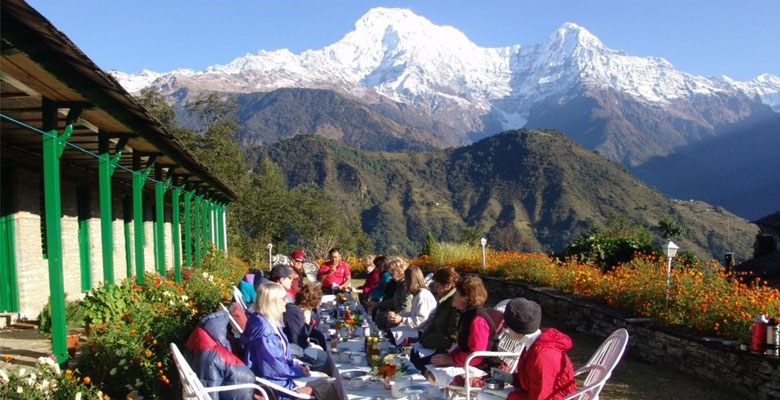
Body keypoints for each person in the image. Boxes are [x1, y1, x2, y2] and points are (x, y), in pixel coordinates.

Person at [240, 283, 313, 399]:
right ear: (273, 302)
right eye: (284, 298)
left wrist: (298, 366)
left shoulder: (270, 322)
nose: (287, 301)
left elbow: (282, 357)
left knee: (326, 383)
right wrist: (298, 372)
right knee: (325, 387)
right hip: (274, 386)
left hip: (281, 378)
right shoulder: (264, 331)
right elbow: (273, 367)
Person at [425, 276, 497, 387]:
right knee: (430, 365)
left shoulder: (478, 319)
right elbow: (463, 345)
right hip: (469, 363)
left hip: (482, 368)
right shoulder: (467, 314)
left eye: (457, 293)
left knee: (431, 375)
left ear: (465, 298)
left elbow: (476, 355)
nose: (454, 295)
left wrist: (450, 359)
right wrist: (448, 357)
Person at [502, 298, 577, 400]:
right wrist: (508, 378)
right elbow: (531, 379)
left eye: (506, 325)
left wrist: (507, 395)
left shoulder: (542, 356)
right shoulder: (534, 343)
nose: (505, 329)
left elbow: (541, 396)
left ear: (516, 329)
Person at [417, 266, 460, 352]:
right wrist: (423, 339)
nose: (435, 290)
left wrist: (426, 341)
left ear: (447, 285)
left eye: (437, 285)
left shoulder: (456, 303)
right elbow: (434, 324)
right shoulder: (444, 300)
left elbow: (452, 336)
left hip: (445, 348)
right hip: (436, 341)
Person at [387, 265, 436, 329]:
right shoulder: (418, 294)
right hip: (419, 328)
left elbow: (421, 320)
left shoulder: (422, 296)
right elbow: (413, 314)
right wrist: (398, 315)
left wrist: (402, 319)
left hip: (423, 331)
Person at [369, 257, 413, 330]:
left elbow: (406, 307)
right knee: (380, 316)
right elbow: (393, 301)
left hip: (405, 318)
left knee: (384, 318)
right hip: (398, 314)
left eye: (392, 274)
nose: (391, 277)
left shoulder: (406, 286)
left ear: (398, 271)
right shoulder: (399, 284)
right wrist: (378, 305)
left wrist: (394, 315)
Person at [284, 282, 327, 349]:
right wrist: (307, 323)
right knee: (321, 349)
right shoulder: (295, 312)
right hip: (295, 349)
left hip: (297, 346)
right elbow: (299, 339)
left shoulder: (293, 308)